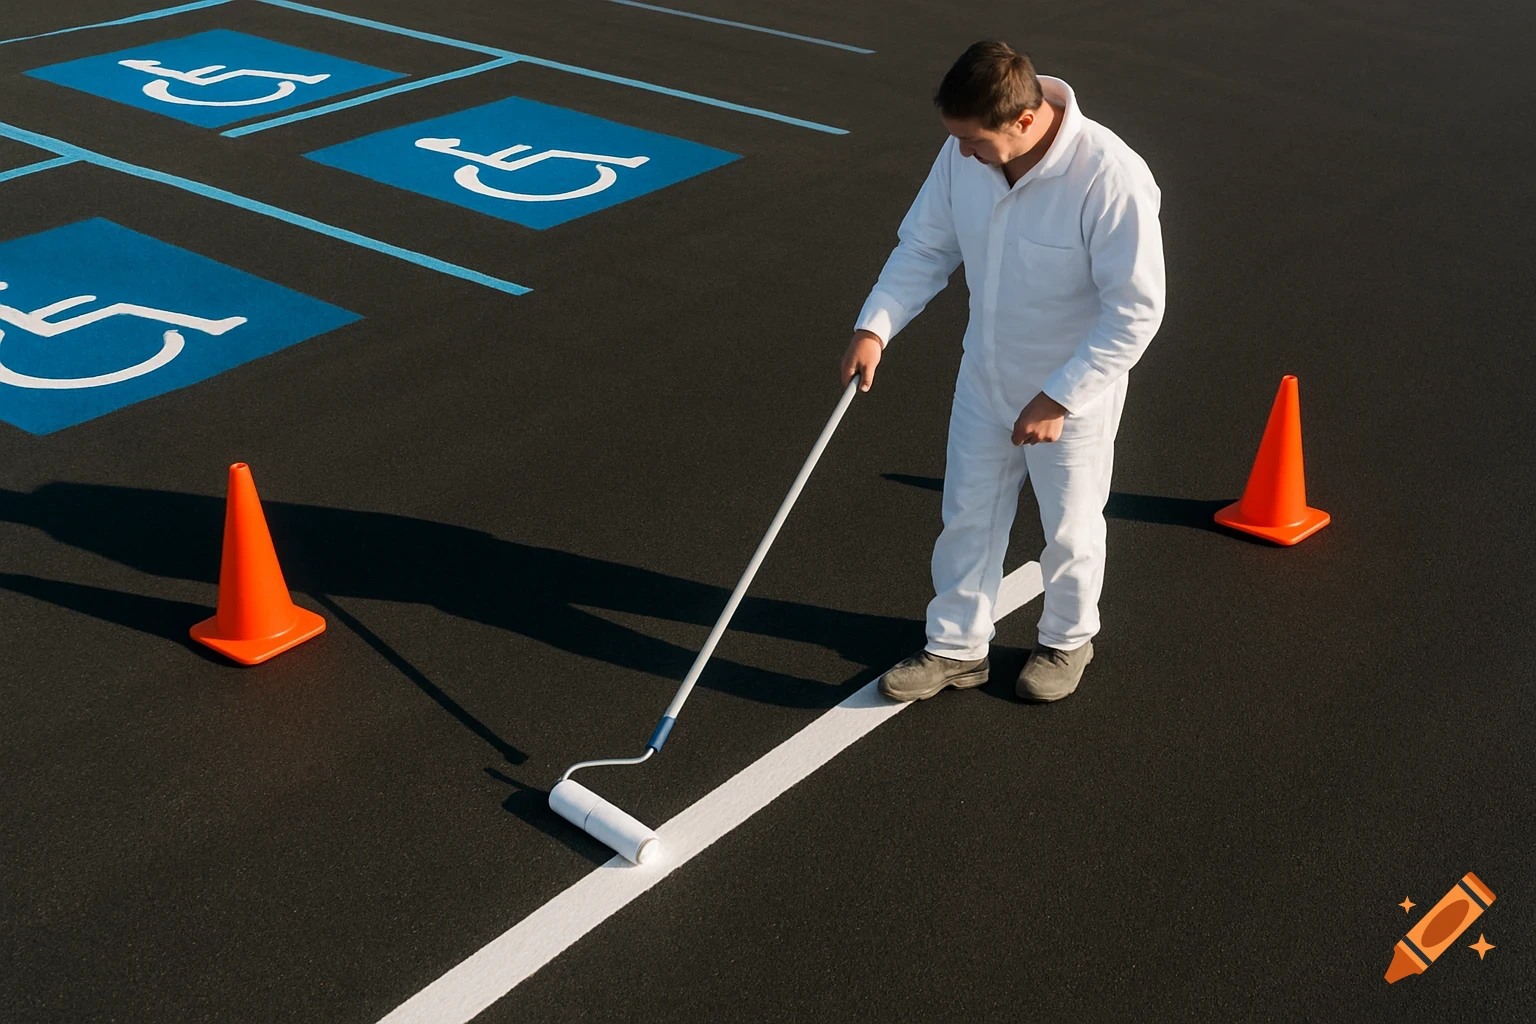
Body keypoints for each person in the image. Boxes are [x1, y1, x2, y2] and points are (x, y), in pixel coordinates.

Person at [840, 41, 1165, 703]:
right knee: (967, 513)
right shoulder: (966, 154)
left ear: (1025, 120)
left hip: (1070, 393)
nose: (961, 154)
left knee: (1070, 527)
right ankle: (957, 649)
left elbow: (1135, 310)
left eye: (974, 141)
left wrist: (1060, 396)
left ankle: (1068, 639)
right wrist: (876, 324)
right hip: (984, 375)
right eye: (954, 138)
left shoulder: (1110, 176)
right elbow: (926, 246)